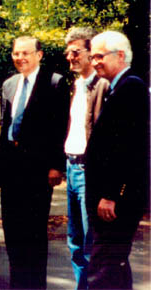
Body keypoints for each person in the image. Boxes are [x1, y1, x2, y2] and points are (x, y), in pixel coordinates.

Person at [0, 36, 70, 289]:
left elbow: (60, 126)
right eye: (16, 53)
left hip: (38, 170)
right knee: (12, 231)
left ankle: (35, 285)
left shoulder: (55, 82)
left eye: (26, 53)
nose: (20, 58)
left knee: (34, 232)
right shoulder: (8, 84)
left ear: (39, 55)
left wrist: (55, 165)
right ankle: (17, 283)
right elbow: (6, 126)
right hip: (12, 169)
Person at [85, 31, 149, 289]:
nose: (94, 62)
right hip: (112, 198)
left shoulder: (131, 88)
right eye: (92, 57)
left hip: (116, 200)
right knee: (114, 265)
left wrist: (112, 194)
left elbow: (129, 149)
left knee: (104, 267)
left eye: (99, 56)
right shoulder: (118, 88)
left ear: (120, 55)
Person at [63, 27, 109, 289]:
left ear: (91, 53)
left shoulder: (101, 85)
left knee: (92, 242)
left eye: (76, 51)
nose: (70, 56)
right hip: (71, 167)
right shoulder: (78, 85)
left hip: (88, 171)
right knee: (75, 241)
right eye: (67, 52)